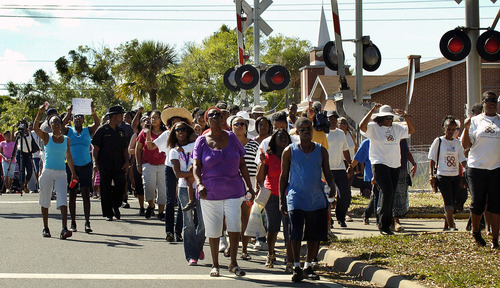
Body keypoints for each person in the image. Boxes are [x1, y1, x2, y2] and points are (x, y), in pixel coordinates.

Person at [193, 107, 255, 277]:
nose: (215, 117)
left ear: (223, 120)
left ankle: (233, 263)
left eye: (218, 115)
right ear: (206, 120)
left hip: (234, 190)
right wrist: (199, 184)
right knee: (214, 229)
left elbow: (242, 164)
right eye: (211, 114)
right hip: (210, 192)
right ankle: (215, 265)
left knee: (234, 226)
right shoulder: (201, 141)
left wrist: (250, 187)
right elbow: (197, 166)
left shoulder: (232, 137)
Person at [279, 117, 336, 282]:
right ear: (297, 132)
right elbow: (283, 177)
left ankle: (308, 265)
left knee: (314, 235)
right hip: (295, 197)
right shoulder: (289, 151)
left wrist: (332, 186)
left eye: (308, 129)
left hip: (316, 198)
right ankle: (296, 266)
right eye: (302, 129)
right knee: (295, 233)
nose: (306, 132)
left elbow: (328, 171)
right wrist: (282, 199)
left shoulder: (321, 150)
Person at [359, 103, 415, 235]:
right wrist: (372, 110)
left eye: (390, 118)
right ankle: (383, 225)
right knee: (387, 191)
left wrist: (405, 116)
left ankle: (385, 223)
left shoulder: (397, 128)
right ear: (379, 118)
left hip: (394, 164)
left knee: (391, 193)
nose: (388, 120)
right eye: (385, 118)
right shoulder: (373, 128)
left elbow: (412, 130)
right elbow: (362, 126)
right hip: (379, 163)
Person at [461, 91, 500, 249]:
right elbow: (466, 145)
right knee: (478, 202)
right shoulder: (475, 121)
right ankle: (476, 231)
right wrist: (466, 127)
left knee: (496, 205)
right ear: (483, 103)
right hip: (477, 167)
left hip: (496, 168)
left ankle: (495, 240)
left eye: (494, 101)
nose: (492, 103)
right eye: (488, 100)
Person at [148, 107, 193, 242]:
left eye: (179, 122)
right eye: (173, 121)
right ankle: (169, 232)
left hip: (186, 170)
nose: (176, 125)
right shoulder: (166, 134)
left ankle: (178, 232)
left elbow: (198, 143)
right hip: (170, 168)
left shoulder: (189, 135)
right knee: (170, 200)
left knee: (182, 201)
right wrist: (147, 131)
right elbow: (150, 147)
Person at [34, 104, 77, 239]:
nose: (56, 124)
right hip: (48, 171)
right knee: (45, 199)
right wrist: (40, 112)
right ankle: (45, 227)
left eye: (58, 121)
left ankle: (64, 228)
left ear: (61, 124)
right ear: (50, 125)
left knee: (63, 199)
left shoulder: (66, 140)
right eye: (54, 122)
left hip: (61, 173)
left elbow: (69, 157)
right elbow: (35, 128)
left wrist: (73, 173)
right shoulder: (46, 137)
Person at [168, 121, 205, 266]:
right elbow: (177, 173)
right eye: (177, 130)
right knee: (188, 223)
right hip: (184, 188)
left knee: (203, 224)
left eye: (184, 129)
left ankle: (198, 247)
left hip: (202, 187)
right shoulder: (174, 151)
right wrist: (191, 174)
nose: (181, 132)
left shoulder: (196, 144)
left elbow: (199, 137)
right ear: (174, 133)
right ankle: (191, 255)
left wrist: (192, 133)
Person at [256, 129, 293, 270]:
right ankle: (271, 254)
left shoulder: (293, 155)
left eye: (285, 136)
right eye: (280, 136)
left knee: (289, 229)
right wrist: (262, 163)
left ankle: (290, 260)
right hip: (272, 196)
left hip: (289, 195)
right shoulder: (268, 157)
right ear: (274, 140)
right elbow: (260, 178)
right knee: (272, 229)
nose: (283, 138)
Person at [63, 104, 100, 233]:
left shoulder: (87, 130)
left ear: (83, 120)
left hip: (85, 165)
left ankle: (87, 222)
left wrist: (93, 111)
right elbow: (60, 127)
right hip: (72, 166)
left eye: (80, 117)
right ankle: (73, 222)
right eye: (75, 117)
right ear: (72, 120)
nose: (78, 119)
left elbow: (97, 123)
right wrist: (69, 112)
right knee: (72, 194)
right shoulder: (69, 130)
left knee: (85, 193)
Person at [228, 113, 259, 261]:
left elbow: (260, 164)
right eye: (236, 124)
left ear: (247, 127)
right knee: (231, 215)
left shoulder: (254, 144)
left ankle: (244, 250)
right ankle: (231, 245)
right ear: (231, 127)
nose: (239, 126)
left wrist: (257, 185)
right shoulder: (226, 143)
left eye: (242, 124)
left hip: (250, 183)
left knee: (246, 216)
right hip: (231, 182)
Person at [92, 105, 129, 221]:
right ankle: (108, 212)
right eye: (120, 115)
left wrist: (127, 161)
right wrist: (95, 163)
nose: (122, 117)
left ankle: (116, 205)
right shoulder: (102, 130)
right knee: (105, 187)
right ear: (113, 116)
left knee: (120, 185)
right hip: (105, 164)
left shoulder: (121, 131)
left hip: (119, 163)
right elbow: (95, 148)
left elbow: (124, 148)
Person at [429, 115, 467, 231]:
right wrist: (431, 175)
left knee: (452, 201)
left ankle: (446, 226)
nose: (451, 131)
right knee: (448, 201)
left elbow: (462, 161)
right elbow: (432, 159)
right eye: (448, 129)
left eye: (453, 129)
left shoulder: (457, 143)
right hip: (443, 176)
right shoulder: (439, 141)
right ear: (444, 128)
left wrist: (467, 172)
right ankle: (452, 225)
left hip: (455, 177)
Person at [136, 110, 167, 220]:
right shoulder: (144, 132)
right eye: (152, 117)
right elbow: (138, 148)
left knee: (163, 189)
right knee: (149, 187)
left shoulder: (166, 132)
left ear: (161, 119)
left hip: (163, 164)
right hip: (148, 164)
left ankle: (161, 212)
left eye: (157, 117)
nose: (154, 119)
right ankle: (151, 205)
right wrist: (138, 163)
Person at [326, 110, 353, 228]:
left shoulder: (341, 133)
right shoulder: (323, 133)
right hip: (327, 169)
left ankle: (341, 218)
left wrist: (350, 164)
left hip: (340, 168)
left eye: (334, 118)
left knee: (344, 194)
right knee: (327, 196)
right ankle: (328, 220)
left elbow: (345, 150)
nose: (332, 120)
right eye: (330, 118)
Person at [392, 138, 417, 232]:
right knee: (391, 194)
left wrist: (414, 163)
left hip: (402, 170)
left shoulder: (403, 140)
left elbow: (406, 152)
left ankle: (395, 220)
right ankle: (393, 221)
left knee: (400, 196)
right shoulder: (386, 137)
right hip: (389, 168)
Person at [0, 129, 16, 193]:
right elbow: (0, 152)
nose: (8, 137)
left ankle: (10, 186)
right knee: (5, 173)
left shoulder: (13, 143)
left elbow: (15, 151)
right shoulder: (2, 143)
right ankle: (7, 188)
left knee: (11, 174)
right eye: (7, 135)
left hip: (12, 160)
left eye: (9, 135)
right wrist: (4, 157)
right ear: (4, 136)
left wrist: (13, 157)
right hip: (5, 160)